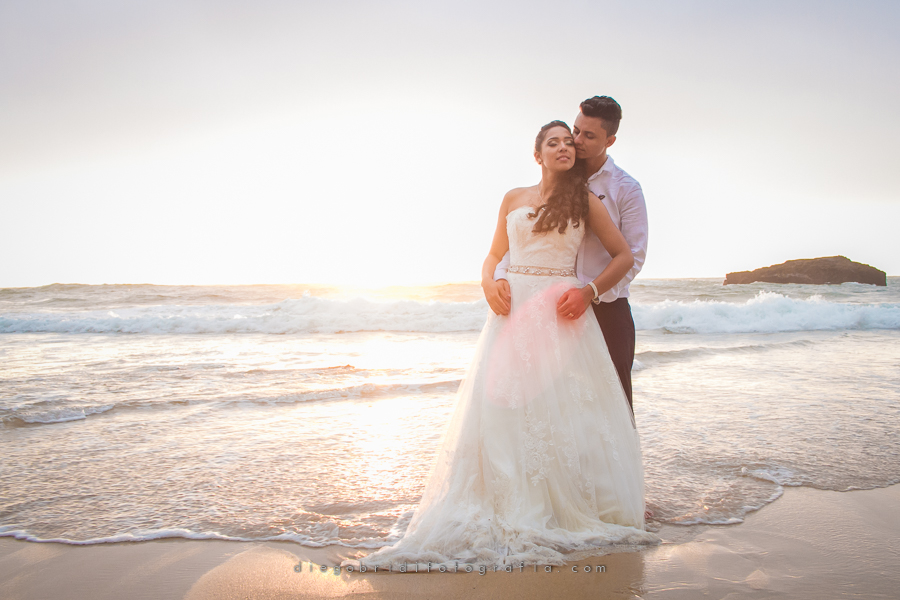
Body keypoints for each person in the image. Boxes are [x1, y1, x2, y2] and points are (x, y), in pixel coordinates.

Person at [347, 121, 659, 571]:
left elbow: (625, 256)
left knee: (559, 408)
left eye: (569, 143)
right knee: (499, 406)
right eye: (554, 142)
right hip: (512, 308)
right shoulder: (513, 198)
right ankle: (505, 495)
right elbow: (493, 254)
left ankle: (561, 500)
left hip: (559, 311)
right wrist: (488, 282)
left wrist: (588, 292)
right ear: (538, 155)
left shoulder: (586, 201)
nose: (564, 148)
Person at [492, 96, 648, 414]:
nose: (576, 142)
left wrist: (588, 292)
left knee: (613, 407)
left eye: (587, 136)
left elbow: (633, 255)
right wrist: (497, 278)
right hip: (548, 309)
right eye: (575, 131)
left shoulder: (625, 189)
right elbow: (524, 242)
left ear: (610, 140)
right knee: (554, 405)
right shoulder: (559, 172)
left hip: (604, 307)